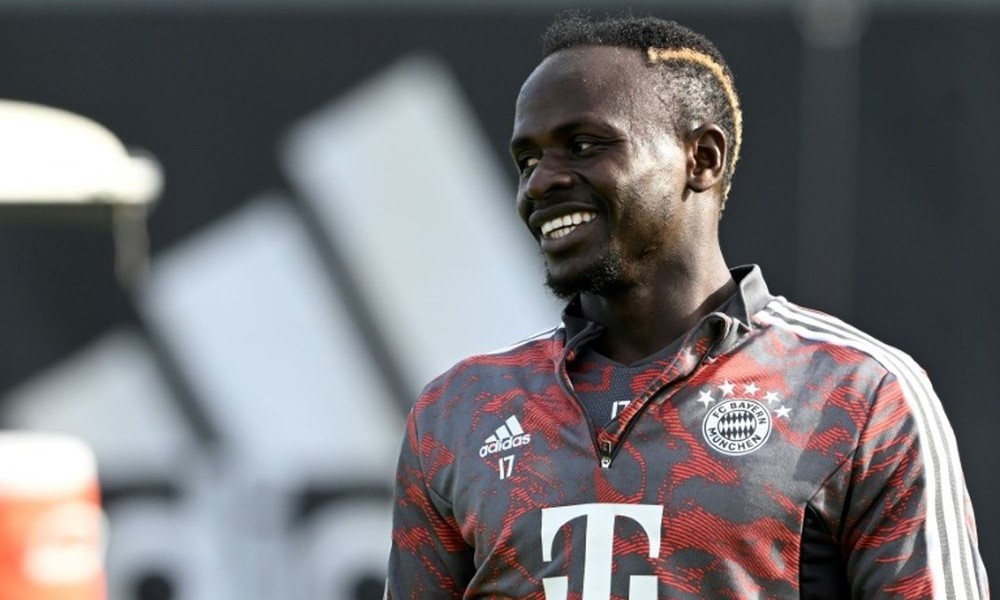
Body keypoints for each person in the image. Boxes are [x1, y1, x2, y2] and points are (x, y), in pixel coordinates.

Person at [385, 12, 989, 599]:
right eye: (528, 160)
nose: (540, 182)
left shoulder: (859, 392)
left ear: (702, 158)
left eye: (583, 145)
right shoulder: (459, 411)